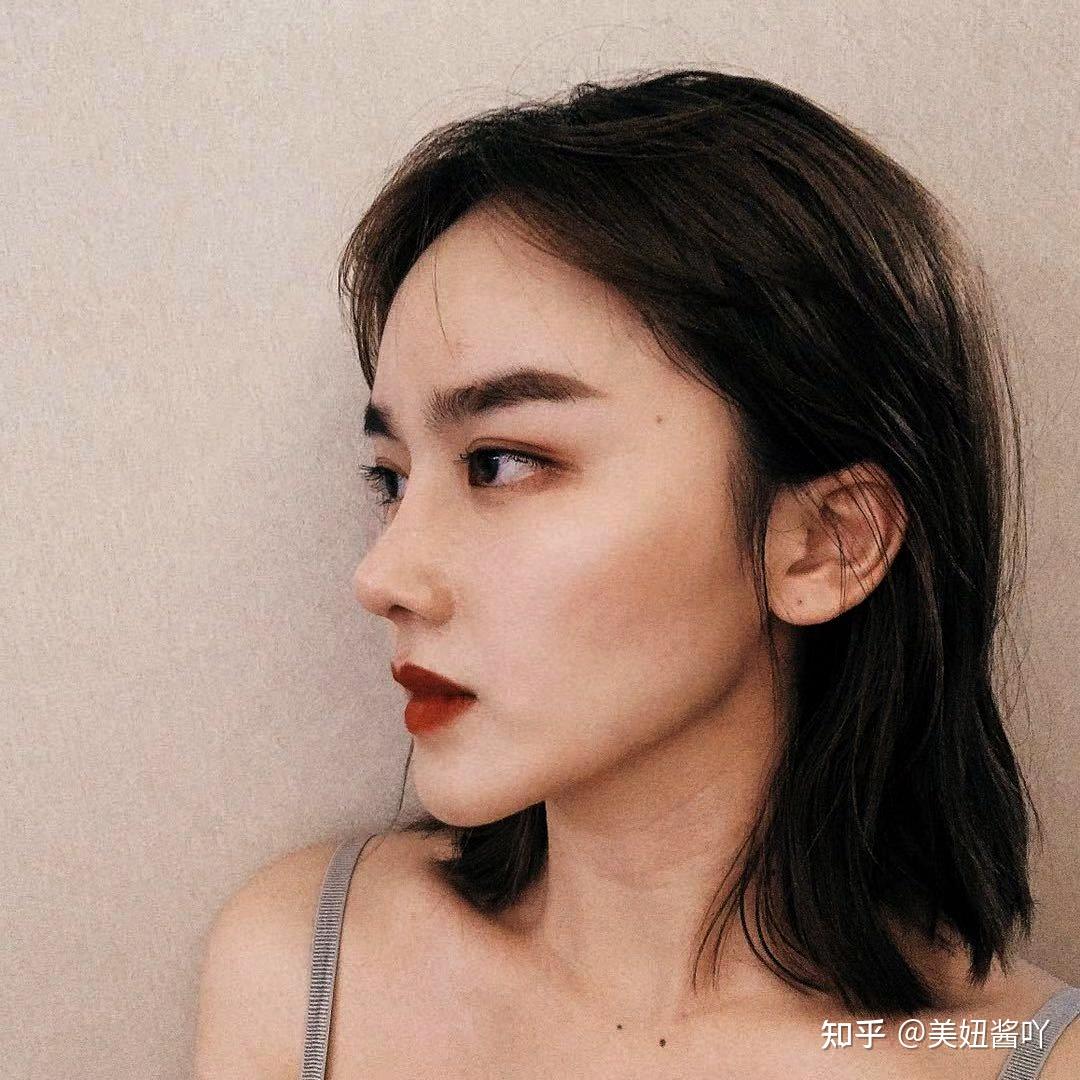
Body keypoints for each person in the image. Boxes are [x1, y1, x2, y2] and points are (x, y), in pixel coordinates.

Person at [194, 68, 1080, 1078]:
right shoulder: (305, 966)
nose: (382, 575)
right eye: (392, 479)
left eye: (501, 463)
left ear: (826, 543)